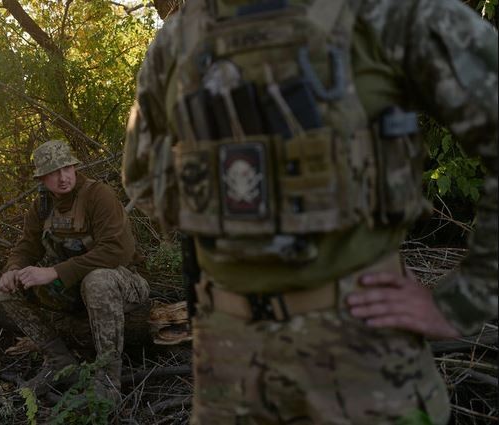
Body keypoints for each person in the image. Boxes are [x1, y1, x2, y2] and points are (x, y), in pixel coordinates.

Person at [123, 1, 497, 423]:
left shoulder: (388, 14)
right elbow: (141, 174)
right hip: (228, 366)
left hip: (365, 356)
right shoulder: (179, 36)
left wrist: (463, 301)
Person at [0, 139, 149, 405]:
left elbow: (117, 251)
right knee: (7, 289)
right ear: (42, 178)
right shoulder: (42, 207)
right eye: (54, 172)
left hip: (124, 283)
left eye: (67, 168)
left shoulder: (97, 195)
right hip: (75, 289)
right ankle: (59, 361)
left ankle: (108, 382)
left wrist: (55, 272)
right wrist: (13, 269)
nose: (63, 177)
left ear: (74, 167)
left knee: (97, 280)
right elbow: (26, 246)